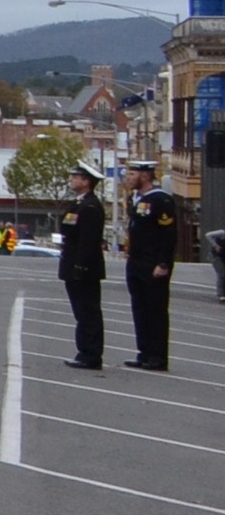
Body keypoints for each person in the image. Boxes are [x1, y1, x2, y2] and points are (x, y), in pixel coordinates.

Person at [119, 157, 182, 373]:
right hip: (136, 261)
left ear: (145, 176)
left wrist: (163, 262)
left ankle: (158, 356)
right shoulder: (135, 199)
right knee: (140, 309)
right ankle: (144, 352)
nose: (128, 178)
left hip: (154, 263)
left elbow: (169, 234)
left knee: (155, 310)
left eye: (132, 174)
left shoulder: (161, 200)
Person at [57, 165, 109, 370]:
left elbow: (88, 241)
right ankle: (84, 351)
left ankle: (91, 354)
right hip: (72, 265)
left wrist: (80, 266)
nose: (71, 180)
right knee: (81, 312)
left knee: (88, 312)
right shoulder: (78, 204)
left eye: (76, 177)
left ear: (86, 181)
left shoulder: (90, 207)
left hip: (84, 267)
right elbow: (66, 229)